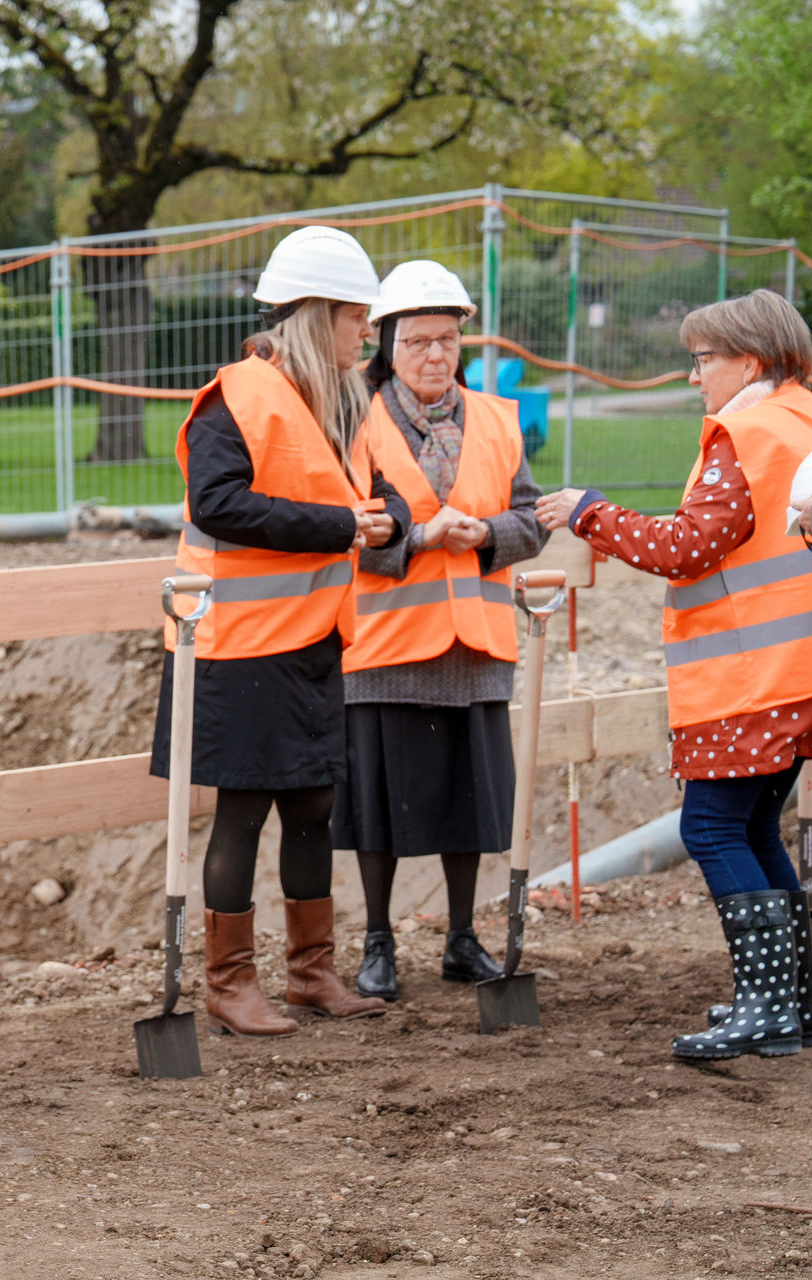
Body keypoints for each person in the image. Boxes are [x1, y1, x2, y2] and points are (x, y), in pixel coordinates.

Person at [537, 288, 812, 1060]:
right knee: (755, 825)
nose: (694, 378)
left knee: (712, 826)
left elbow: (687, 546)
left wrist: (591, 512)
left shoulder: (746, 433)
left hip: (756, 673)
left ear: (748, 361)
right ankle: (787, 1009)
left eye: (702, 361)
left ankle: (768, 1009)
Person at [152, 225, 409, 1036]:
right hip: (237, 644)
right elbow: (217, 504)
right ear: (315, 314)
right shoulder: (238, 395)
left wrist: (386, 521)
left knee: (313, 808)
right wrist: (341, 525)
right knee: (242, 814)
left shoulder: (343, 400)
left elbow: (384, 493)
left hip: (309, 642)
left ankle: (310, 973)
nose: (365, 333)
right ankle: (229, 985)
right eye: (355, 318)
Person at [333, 261, 547, 1000]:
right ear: (388, 346)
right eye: (419, 341)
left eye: (448, 340)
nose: (435, 355)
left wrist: (485, 532)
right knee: (378, 810)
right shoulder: (353, 420)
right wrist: (418, 539)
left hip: (476, 648)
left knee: (470, 800)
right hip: (386, 649)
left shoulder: (496, 417)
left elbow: (529, 518)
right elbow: (346, 527)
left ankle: (462, 940)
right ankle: (378, 944)